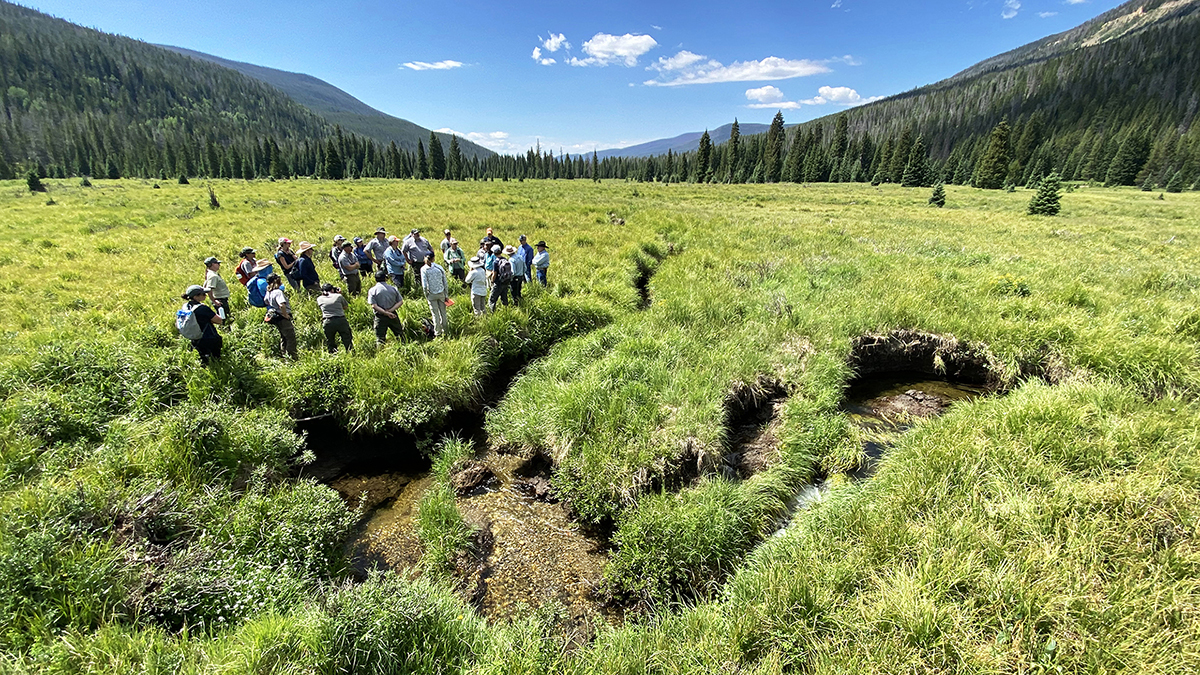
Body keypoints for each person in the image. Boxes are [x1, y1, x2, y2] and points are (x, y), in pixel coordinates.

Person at [177, 285, 223, 364]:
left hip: (196, 338)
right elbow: (219, 321)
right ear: (196, 296)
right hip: (209, 337)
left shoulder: (186, 306)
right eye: (203, 294)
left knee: (204, 359)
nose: (205, 295)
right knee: (217, 359)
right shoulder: (202, 308)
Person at [366, 270, 404, 345]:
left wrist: (385, 313)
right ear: (386, 278)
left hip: (380, 316)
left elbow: (374, 306)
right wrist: (390, 311)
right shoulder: (393, 288)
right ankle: (403, 348)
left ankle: (380, 352)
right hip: (393, 315)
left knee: (380, 338)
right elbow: (400, 302)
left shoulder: (372, 290)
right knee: (400, 335)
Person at [264, 273, 297, 359]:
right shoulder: (278, 292)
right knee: (290, 337)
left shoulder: (268, 292)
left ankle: (284, 355)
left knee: (283, 337)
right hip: (282, 317)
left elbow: (266, 301)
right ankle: (291, 357)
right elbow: (282, 305)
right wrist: (285, 314)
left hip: (276, 317)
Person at [316, 283, 353, 353]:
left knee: (330, 340)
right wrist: (339, 293)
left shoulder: (319, 299)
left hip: (328, 321)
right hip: (340, 320)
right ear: (332, 289)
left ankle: (333, 354)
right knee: (347, 338)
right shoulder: (338, 296)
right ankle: (350, 352)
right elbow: (345, 307)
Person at [421, 252, 449, 337]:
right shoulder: (439, 267)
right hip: (441, 293)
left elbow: (424, 285)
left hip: (431, 294)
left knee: (435, 314)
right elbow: (445, 282)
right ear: (433, 258)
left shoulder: (424, 269)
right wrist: (446, 295)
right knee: (443, 313)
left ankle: (438, 333)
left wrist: (426, 295)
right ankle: (446, 331)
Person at [203, 256, 232, 321]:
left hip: (220, 299)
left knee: (225, 316)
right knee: (224, 318)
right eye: (217, 263)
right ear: (213, 264)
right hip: (220, 300)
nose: (219, 265)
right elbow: (209, 289)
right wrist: (214, 300)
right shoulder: (213, 276)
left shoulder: (211, 274)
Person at [489, 246, 512, 311]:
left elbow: (494, 274)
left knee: (492, 299)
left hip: (498, 283)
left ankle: (492, 313)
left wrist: (492, 281)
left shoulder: (495, 262)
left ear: (494, 253)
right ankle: (506, 311)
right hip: (506, 281)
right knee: (504, 298)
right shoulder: (505, 259)